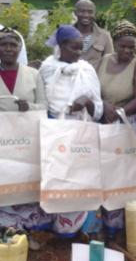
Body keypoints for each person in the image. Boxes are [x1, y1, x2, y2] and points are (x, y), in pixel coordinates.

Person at [0, 28, 49, 233]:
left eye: (13, 45)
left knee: (24, 182)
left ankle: (26, 230)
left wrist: (29, 108)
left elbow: (44, 106)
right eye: (3, 45)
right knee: (0, 181)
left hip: (25, 142)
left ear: (19, 48)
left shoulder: (33, 75)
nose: (8, 49)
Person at [39, 25, 103, 236]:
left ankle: (88, 228)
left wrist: (86, 102)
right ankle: (62, 228)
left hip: (83, 132)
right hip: (56, 132)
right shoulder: (47, 69)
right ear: (61, 47)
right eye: (73, 48)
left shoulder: (86, 70)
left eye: (80, 49)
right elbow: (42, 103)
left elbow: (99, 107)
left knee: (84, 179)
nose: (78, 53)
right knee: (60, 179)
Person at [96, 20, 136, 235]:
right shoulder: (103, 62)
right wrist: (104, 107)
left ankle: (132, 225)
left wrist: (118, 113)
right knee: (107, 175)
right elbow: (94, 89)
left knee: (127, 177)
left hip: (128, 125)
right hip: (104, 123)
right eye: (123, 46)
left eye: (132, 47)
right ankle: (110, 225)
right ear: (115, 43)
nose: (127, 51)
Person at [70, 0, 112, 67]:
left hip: (95, 77)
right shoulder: (66, 34)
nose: (86, 15)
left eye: (90, 12)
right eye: (82, 11)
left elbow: (110, 63)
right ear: (75, 12)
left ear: (95, 14)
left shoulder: (104, 36)